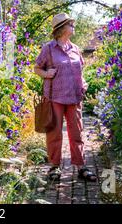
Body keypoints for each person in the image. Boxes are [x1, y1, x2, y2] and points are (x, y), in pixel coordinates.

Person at [33, 13, 97, 182]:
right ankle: (54, 167)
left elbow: (79, 70)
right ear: (61, 29)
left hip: (75, 96)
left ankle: (81, 166)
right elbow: (37, 68)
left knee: (77, 132)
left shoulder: (75, 48)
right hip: (55, 96)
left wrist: (83, 83)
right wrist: (46, 73)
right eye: (70, 24)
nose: (73, 26)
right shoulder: (49, 49)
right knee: (55, 133)